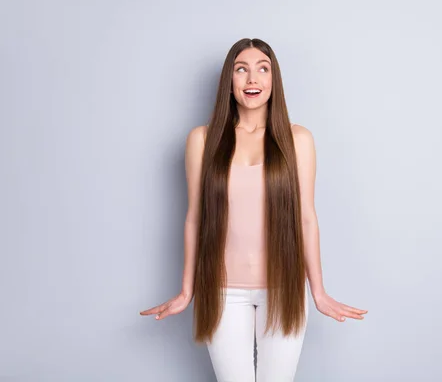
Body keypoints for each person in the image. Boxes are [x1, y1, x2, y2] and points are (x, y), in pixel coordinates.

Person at [140, 38, 368, 381]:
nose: (252, 79)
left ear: (274, 81)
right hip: (221, 291)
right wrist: (187, 290)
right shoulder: (202, 140)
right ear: (228, 83)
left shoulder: (298, 140)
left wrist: (317, 291)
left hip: (285, 289)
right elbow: (194, 218)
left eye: (263, 69)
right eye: (241, 69)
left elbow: (307, 217)